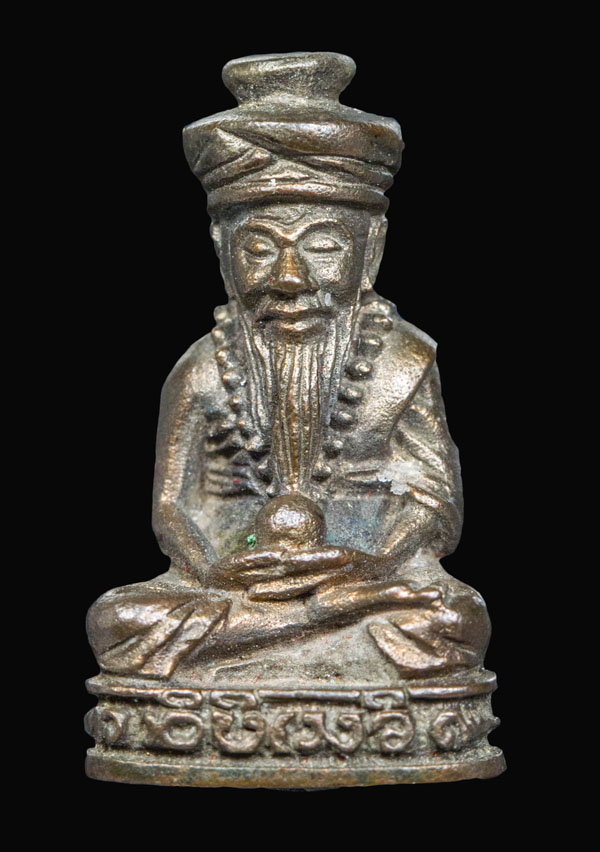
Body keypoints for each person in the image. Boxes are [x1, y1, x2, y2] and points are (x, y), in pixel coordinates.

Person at [87, 53, 490, 684]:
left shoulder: (403, 360)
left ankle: (284, 634)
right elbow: (171, 508)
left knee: (453, 620)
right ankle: (317, 628)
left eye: (323, 246)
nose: (291, 278)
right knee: (118, 619)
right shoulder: (202, 368)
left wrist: (370, 565)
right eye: (259, 248)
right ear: (223, 252)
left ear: (371, 250)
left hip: (363, 575)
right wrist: (215, 569)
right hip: (237, 582)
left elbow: (436, 505)